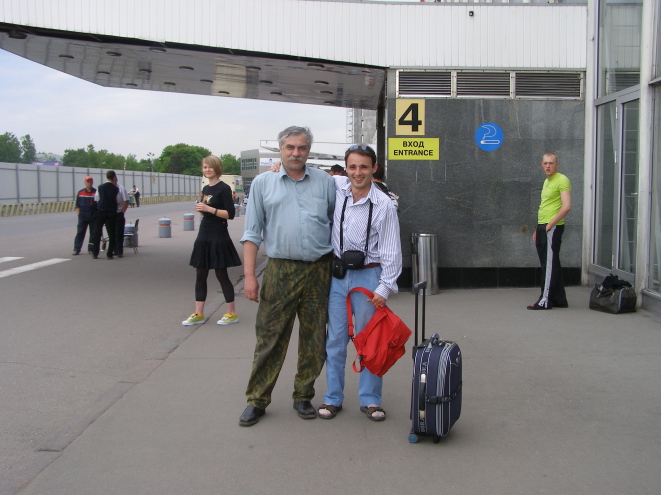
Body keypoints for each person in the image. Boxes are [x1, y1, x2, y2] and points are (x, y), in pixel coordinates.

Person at [238, 126, 335, 427]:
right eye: (290, 147)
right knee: (270, 337)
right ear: (280, 150)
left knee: (314, 338)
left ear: (309, 150)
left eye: (302, 148)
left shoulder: (325, 182)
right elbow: (252, 233)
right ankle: (257, 400)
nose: (296, 153)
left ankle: (303, 395)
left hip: (319, 270)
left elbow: (337, 223)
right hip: (280, 270)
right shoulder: (263, 184)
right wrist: (250, 276)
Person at [318, 145, 401, 422]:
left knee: (371, 342)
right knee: (335, 340)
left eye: (364, 167)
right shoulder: (337, 187)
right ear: (345, 169)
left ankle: (370, 399)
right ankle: (333, 398)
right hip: (338, 275)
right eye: (352, 167)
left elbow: (391, 250)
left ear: (373, 168)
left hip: (369, 276)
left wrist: (384, 288)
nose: (357, 172)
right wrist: (277, 168)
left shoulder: (384, 205)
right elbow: (305, 173)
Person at [182, 156, 242, 326]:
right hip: (204, 234)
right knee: (200, 273)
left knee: (221, 273)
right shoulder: (206, 188)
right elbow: (207, 211)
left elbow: (230, 214)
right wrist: (201, 209)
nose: (207, 170)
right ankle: (198, 313)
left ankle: (231, 313)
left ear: (217, 168)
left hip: (218, 235)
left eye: (210, 167)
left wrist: (209, 209)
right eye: (205, 167)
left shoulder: (224, 188)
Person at [528, 152, 572, 310]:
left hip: (552, 227)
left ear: (557, 165)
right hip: (543, 226)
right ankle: (559, 299)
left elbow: (566, 206)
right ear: (541, 165)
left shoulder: (562, 180)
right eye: (545, 163)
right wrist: (538, 228)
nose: (548, 166)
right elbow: (545, 206)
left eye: (551, 163)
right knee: (551, 263)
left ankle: (544, 301)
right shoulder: (547, 181)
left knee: (548, 265)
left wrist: (549, 225)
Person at [90, 170, 120, 260]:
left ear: (107, 177)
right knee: (111, 233)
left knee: (97, 232)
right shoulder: (115, 188)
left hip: (101, 211)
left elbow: (97, 199)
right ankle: (109, 254)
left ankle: (95, 253)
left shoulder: (100, 187)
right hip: (111, 212)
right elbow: (118, 201)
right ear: (114, 177)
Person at [72, 176, 97, 255]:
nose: (89, 183)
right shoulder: (80, 193)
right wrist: (79, 214)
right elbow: (77, 205)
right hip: (83, 216)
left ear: (92, 183)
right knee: (80, 232)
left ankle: (91, 248)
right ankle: (77, 249)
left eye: (91, 182)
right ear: (85, 183)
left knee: (93, 233)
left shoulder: (96, 192)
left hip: (93, 215)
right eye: (88, 182)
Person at [112, 176, 129, 258]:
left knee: (119, 233)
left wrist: (122, 212)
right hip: (110, 213)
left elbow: (126, 201)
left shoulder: (121, 188)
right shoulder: (108, 188)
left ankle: (119, 250)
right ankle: (114, 249)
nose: (113, 181)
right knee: (112, 233)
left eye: (114, 180)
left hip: (119, 213)